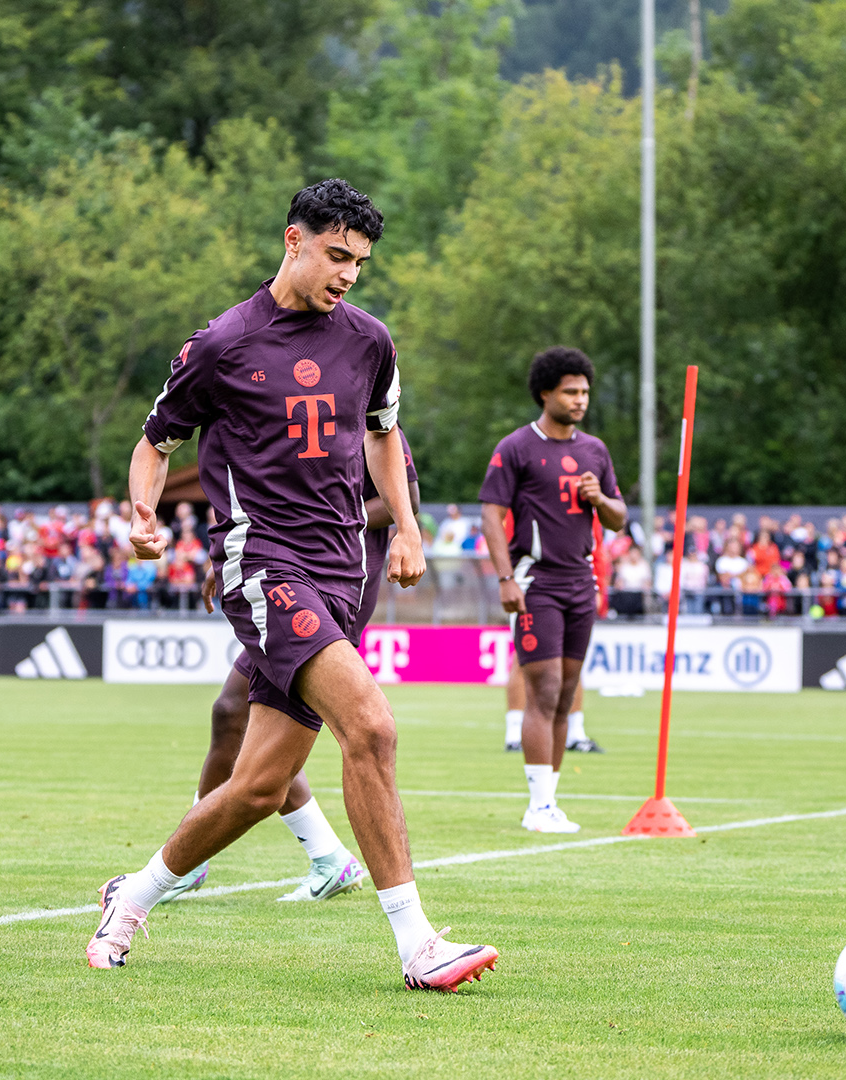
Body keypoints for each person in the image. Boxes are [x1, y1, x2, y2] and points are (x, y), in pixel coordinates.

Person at [90, 180, 497, 990]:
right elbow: (155, 442)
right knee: (372, 728)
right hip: (263, 563)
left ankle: (130, 898)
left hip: (344, 569)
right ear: (293, 240)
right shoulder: (221, 345)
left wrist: (409, 528)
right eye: (337, 255)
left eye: (361, 262)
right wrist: (142, 513)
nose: (349, 273)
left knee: (257, 787)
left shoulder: (371, 341)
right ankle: (418, 943)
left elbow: (386, 437)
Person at [167, 431, 420, 906]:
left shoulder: (370, 416)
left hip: (341, 583)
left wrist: (325, 521)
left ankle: (187, 862)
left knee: (245, 718)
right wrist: (228, 558)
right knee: (237, 716)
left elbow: (404, 502)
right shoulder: (296, 404)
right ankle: (327, 858)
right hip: (292, 577)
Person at [479, 347, 627, 834]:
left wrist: (598, 497)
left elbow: (620, 518)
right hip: (535, 582)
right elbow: (491, 515)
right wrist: (504, 578)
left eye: (584, 391)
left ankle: (550, 801)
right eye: (570, 391)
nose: (580, 399)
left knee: (564, 695)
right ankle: (537, 806)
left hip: (582, 583)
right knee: (541, 692)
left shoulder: (595, 451)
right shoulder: (517, 447)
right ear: (546, 392)